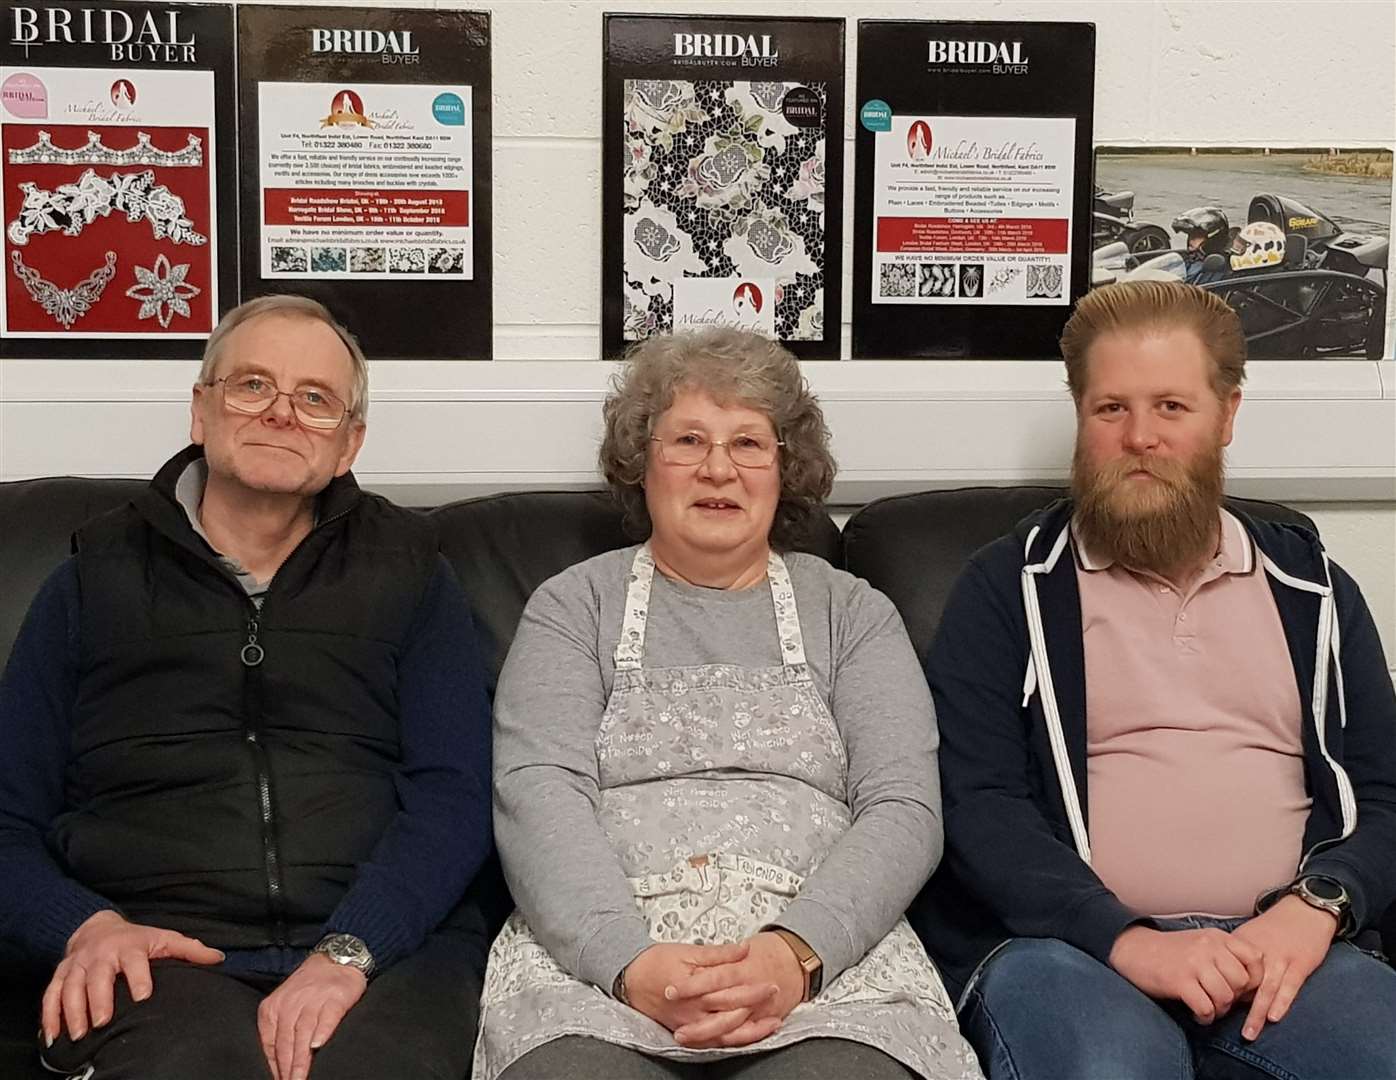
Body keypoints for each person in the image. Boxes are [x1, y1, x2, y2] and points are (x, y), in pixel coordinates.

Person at [0, 295, 494, 1080]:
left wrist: (350, 951)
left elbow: (456, 797)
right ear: (201, 410)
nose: (281, 414)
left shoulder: (411, 574)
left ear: (348, 443)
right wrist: (84, 927)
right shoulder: (90, 580)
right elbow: (7, 816)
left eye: (315, 399)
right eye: (252, 385)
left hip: (383, 946)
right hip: (154, 950)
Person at [918, 280, 1396, 1080]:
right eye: (1111, 410)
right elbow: (978, 805)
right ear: (1082, 419)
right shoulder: (1010, 585)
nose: (1140, 436)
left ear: (1227, 416)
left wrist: (1320, 906)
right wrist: (1126, 939)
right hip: (1071, 952)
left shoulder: (1313, 589)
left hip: (1285, 951)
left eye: (1171, 407)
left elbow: (1384, 793)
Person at [479, 327, 981, 1080]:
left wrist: (795, 954)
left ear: (785, 470)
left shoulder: (853, 614)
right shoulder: (573, 607)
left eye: (748, 443)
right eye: (687, 439)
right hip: (602, 973)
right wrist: (630, 963)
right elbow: (537, 795)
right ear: (641, 463)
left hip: (828, 976)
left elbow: (904, 808)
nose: (719, 468)